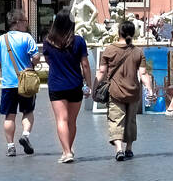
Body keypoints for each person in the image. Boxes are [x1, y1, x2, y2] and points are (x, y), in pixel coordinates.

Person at [98, 20, 154, 161]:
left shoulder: (109, 50)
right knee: (131, 121)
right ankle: (129, 149)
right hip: (133, 92)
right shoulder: (138, 52)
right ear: (133, 33)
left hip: (115, 91)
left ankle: (119, 149)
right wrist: (150, 90)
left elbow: (102, 71)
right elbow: (143, 74)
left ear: (119, 32)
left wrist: (93, 86)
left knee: (116, 120)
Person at [41, 11, 91, 164]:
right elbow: (85, 65)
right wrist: (88, 84)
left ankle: (67, 151)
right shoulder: (79, 41)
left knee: (61, 119)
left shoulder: (48, 41)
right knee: (72, 121)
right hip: (75, 84)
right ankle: (68, 149)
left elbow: (48, 60)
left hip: (56, 84)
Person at [0, 8, 41, 157]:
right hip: (25, 83)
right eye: (25, 21)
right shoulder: (26, 38)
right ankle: (25, 135)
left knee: (9, 115)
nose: (26, 24)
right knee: (28, 111)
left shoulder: (1, 39)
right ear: (17, 22)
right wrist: (32, 64)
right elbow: (36, 56)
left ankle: (11, 146)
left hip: (8, 84)